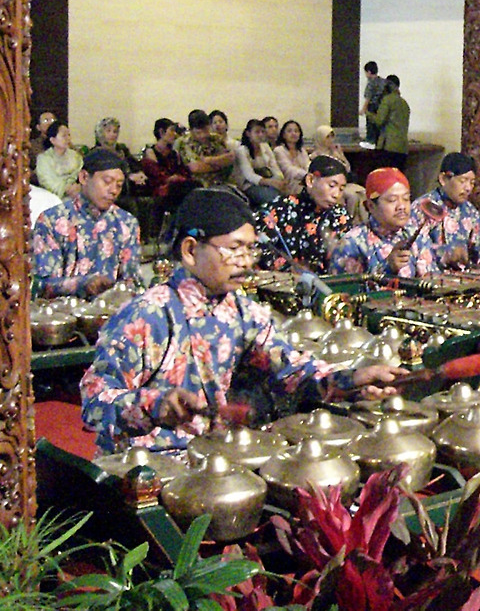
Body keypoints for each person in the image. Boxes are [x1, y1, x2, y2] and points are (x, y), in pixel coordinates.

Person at [79, 188, 401, 453]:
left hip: (211, 460)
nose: (246, 262)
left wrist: (352, 379)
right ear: (191, 251)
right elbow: (94, 401)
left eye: (251, 250)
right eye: (234, 249)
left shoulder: (244, 312)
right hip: (145, 471)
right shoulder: (146, 316)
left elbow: (290, 370)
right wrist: (154, 404)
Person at [32, 148, 143, 299]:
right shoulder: (53, 220)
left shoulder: (127, 223)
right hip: (63, 314)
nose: (113, 191)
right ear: (84, 177)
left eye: (119, 185)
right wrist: (82, 284)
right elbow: (41, 285)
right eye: (107, 181)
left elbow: (133, 282)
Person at [329, 167, 439, 277]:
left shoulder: (415, 234)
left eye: (406, 199)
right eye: (392, 200)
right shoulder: (352, 243)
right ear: (370, 206)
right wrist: (387, 267)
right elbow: (343, 291)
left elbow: (431, 277)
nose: (401, 206)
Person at [258, 155, 354, 274]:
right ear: (310, 180)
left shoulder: (339, 216)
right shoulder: (280, 208)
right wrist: (288, 268)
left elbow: (346, 258)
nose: (336, 195)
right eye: (332, 186)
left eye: (341, 189)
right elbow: (259, 247)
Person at [412, 152, 480, 269]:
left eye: (472, 183)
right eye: (462, 181)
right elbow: (416, 250)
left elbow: (479, 248)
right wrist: (448, 253)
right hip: (432, 279)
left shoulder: (470, 211)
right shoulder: (423, 207)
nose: (468, 188)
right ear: (443, 179)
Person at [142, 118, 200, 241]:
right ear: (162, 132)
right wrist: (172, 178)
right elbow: (156, 174)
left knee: (195, 186)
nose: (174, 134)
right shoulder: (151, 152)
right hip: (160, 189)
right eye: (171, 131)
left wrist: (178, 177)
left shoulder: (174, 154)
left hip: (177, 187)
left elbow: (183, 171)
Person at [231, 118, 287, 208]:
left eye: (262, 132)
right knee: (273, 197)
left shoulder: (265, 146)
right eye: (257, 132)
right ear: (248, 134)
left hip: (268, 181)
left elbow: (274, 167)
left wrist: (280, 179)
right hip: (249, 186)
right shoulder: (242, 150)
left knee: (286, 195)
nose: (260, 135)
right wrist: (271, 182)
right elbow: (250, 176)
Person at [179, 109, 235, 187]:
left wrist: (209, 160)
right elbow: (196, 168)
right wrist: (220, 163)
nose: (203, 136)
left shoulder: (216, 139)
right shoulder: (185, 143)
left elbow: (230, 158)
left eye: (205, 131)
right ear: (191, 131)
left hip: (222, 183)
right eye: (198, 133)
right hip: (200, 186)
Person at [366, 74, 411, 169]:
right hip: (402, 147)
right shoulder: (404, 103)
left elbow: (379, 120)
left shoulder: (387, 100)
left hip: (388, 146)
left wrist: (368, 113)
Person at [36, 120, 83, 199]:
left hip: (76, 193)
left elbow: (81, 173)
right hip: (53, 198)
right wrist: (66, 188)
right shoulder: (43, 159)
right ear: (53, 140)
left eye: (69, 135)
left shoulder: (75, 155)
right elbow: (48, 182)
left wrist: (78, 186)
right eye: (64, 136)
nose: (68, 138)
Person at [273, 119, 311, 191]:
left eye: (296, 131)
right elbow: (288, 170)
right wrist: (307, 176)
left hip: (305, 181)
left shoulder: (302, 150)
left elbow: (308, 165)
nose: (293, 133)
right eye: (289, 131)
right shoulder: (279, 150)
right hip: (288, 184)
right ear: (283, 135)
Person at [360, 61, 387, 144]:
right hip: (382, 106)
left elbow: (368, 98)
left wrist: (363, 109)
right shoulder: (383, 81)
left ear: (368, 72)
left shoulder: (371, 83)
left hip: (372, 107)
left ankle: (370, 140)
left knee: (371, 125)